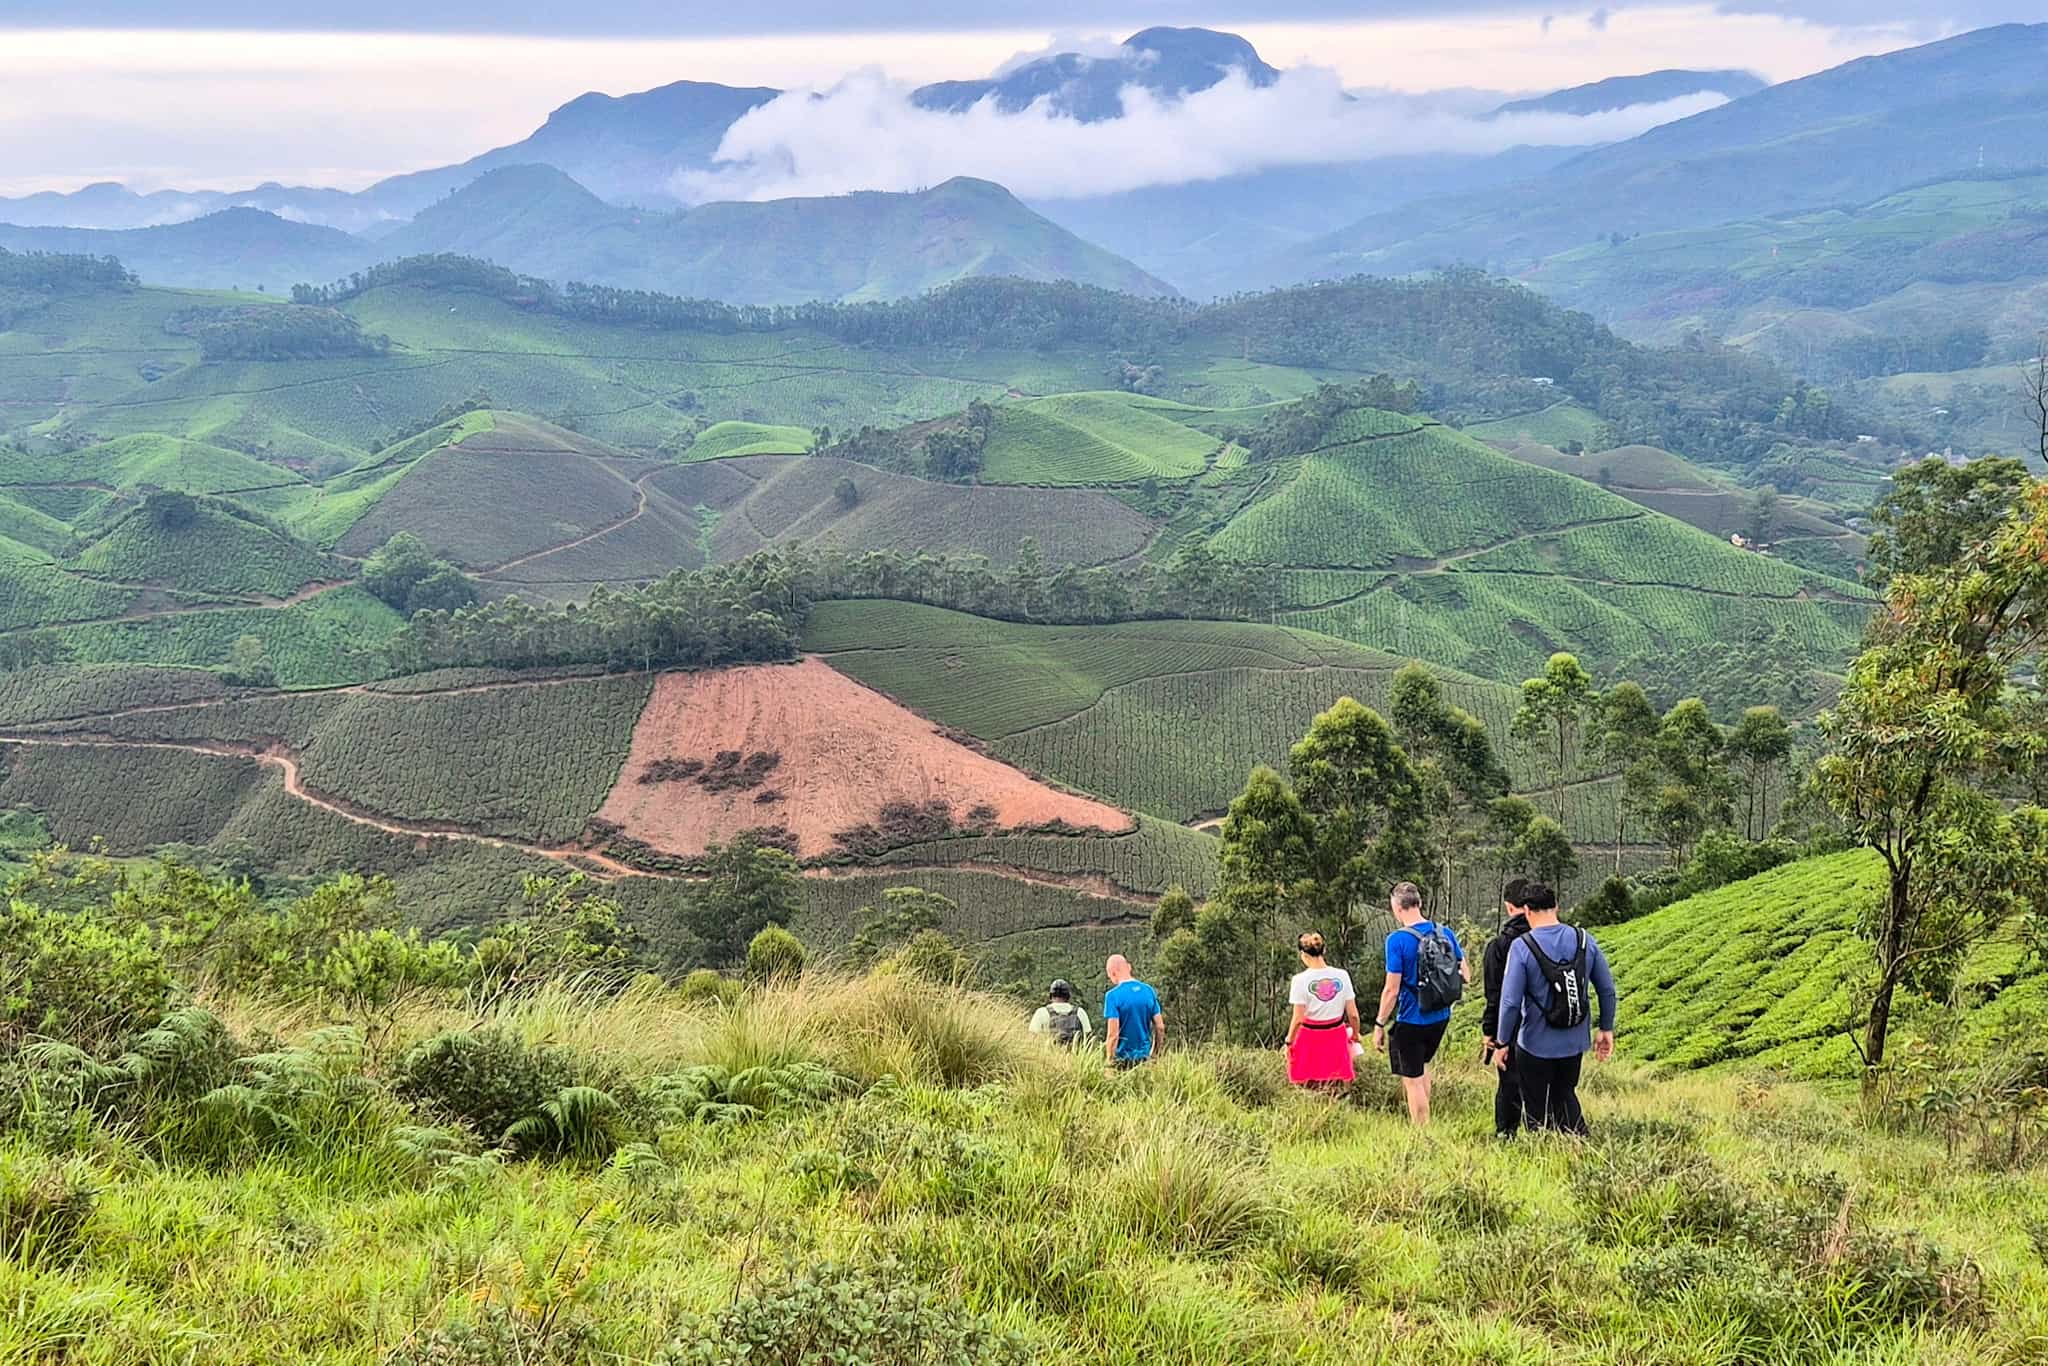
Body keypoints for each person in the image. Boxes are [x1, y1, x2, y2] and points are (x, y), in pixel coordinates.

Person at [1494, 883, 1618, 1135]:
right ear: (1556, 907)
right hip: (1574, 1040)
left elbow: (1510, 1003)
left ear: (1527, 911)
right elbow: (1607, 990)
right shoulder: (1584, 940)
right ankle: (1577, 1145)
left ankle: (1545, 1156)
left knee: (1537, 1107)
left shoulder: (1522, 946)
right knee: (1565, 1094)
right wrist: (1606, 1029)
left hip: (1534, 1043)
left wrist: (1502, 1042)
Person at [1373, 882, 1469, 1126]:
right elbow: (1466, 974)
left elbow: (1391, 990)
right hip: (1441, 1015)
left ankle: (1422, 1133)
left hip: (1412, 1018)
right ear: (1420, 903)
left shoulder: (1397, 940)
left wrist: (1379, 1024)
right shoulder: (1444, 932)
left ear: (1396, 907)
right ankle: (1427, 1122)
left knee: (1412, 1079)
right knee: (1423, 1065)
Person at [1481, 878, 1536, 1137]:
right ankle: (1545, 1134)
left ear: (1508, 906)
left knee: (1509, 1083)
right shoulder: (1548, 939)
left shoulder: (1499, 946)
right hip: (1547, 1024)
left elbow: (1495, 995)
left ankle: (1507, 1134)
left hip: (1511, 1026)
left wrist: (1490, 1033)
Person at [1285, 931, 1360, 1086]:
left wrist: (1289, 1041)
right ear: (1324, 951)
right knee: (1335, 1086)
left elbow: (1298, 1019)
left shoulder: (1299, 980)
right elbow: (1353, 1015)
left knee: (1307, 1087)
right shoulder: (1342, 975)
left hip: (1309, 1039)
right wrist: (1355, 1035)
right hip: (1336, 1037)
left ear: (1303, 955)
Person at [1101, 954, 1164, 1069]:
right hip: (1145, 1059)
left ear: (1113, 974)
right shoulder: (1149, 991)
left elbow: (1113, 1035)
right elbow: (1160, 1027)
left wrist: (1109, 1062)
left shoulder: (1112, 996)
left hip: (1122, 1062)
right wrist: (1155, 1053)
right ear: (1129, 967)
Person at [1028, 979, 1092, 1048]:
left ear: (1051, 995)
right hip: (1076, 1057)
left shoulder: (1041, 1012)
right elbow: (1088, 1038)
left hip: (1048, 1057)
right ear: (1068, 996)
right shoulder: (1080, 1012)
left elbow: (1032, 1039)